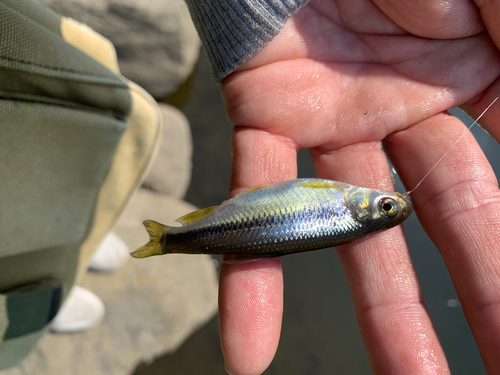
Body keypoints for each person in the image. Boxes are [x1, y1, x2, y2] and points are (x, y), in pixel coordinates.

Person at [185, 1, 500, 374]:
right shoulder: (346, 207)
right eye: (387, 207)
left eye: (386, 208)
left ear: (364, 213)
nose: (389, 202)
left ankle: (173, 240)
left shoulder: (345, 204)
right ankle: (173, 240)